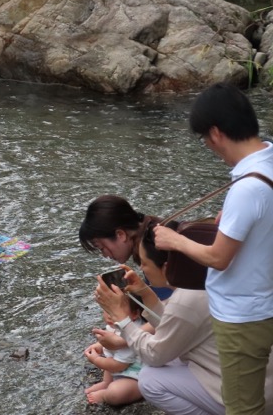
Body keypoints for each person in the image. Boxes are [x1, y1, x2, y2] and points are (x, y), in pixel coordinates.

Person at [154, 83, 273, 415]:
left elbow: (219, 258)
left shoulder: (247, 188)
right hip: (266, 300)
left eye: (205, 140)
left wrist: (173, 240)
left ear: (216, 133)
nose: (208, 147)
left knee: (241, 406)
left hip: (243, 316)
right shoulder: (268, 160)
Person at [95, 218, 226, 415]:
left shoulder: (185, 301)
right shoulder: (201, 287)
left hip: (240, 396)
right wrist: (146, 293)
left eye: (145, 264)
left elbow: (154, 356)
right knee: (169, 358)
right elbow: (174, 327)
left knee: (150, 380)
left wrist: (121, 318)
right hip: (249, 379)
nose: (144, 271)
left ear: (165, 267)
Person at [80, 195, 171, 300]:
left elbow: (170, 309)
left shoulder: (153, 250)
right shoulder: (151, 234)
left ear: (120, 235)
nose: (104, 255)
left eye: (101, 247)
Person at [83, 302, 144, 406]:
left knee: (115, 393)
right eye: (106, 310)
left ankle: (105, 395)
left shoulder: (134, 331)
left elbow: (118, 365)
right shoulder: (115, 325)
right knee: (109, 357)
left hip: (137, 377)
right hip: (122, 369)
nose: (109, 315)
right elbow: (110, 343)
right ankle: (106, 382)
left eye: (115, 311)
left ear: (134, 314)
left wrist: (96, 360)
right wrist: (100, 345)